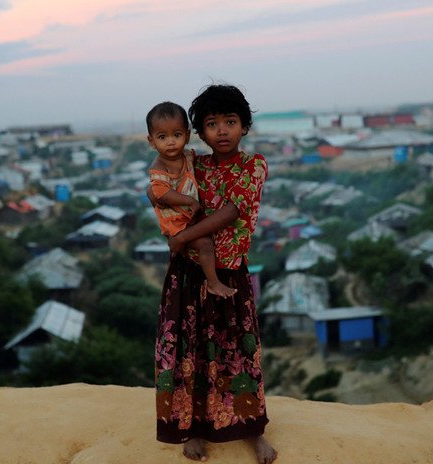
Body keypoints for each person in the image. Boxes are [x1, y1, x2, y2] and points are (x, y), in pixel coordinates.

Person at [153, 85, 277, 463]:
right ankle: (192, 430)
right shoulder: (194, 164)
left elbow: (231, 212)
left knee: (239, 350)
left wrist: (181, 238)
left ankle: (252, 429)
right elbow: (160, 186)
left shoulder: (253, 165)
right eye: (211, 124)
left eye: (230, 122)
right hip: (189, 273)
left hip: (230, 272)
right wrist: (156, 193)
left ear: (244, 126)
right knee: (190, 353)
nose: (221, 131)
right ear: (199, 132)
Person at [146, 101, 237, 298]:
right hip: (175, 223)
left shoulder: (187, 156)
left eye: (176, 135)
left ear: (186, 136)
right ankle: (213, 283)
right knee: (204, 243)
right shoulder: (160, 166)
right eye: (162, 137)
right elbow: (160, 193)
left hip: (188, 219)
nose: (170, 142)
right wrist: (189, 201)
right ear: (152, 141)